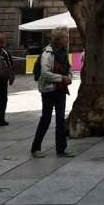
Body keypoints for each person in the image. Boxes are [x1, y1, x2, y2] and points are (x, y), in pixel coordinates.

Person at [31, 27, 74, 157]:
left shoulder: (63, 52)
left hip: (61, 90)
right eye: (65, 37)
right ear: (58, 38)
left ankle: (61, 149)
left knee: (60, 120)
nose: (67, 39)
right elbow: (45, 74)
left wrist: (69, 78)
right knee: (46, 119)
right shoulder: (48, 54)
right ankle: (35, 148)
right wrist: (61, 78)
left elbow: (69, 69)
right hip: (49, 90)